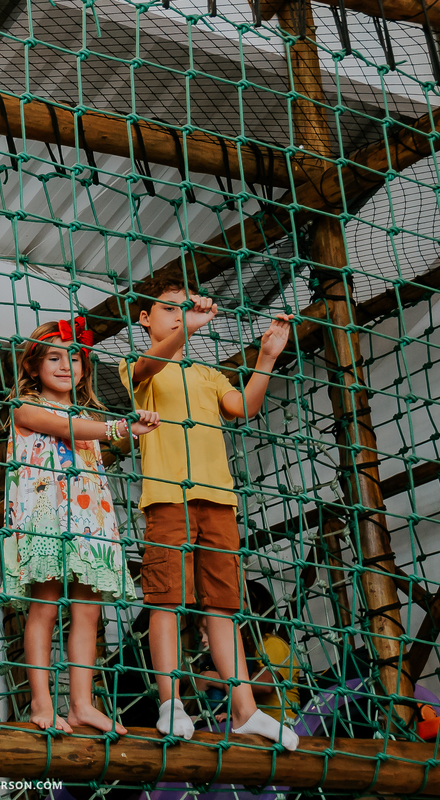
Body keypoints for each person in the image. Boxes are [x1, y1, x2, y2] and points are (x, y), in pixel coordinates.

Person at [119, 274, 298, 749]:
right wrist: (191, 326)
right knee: (166, 600)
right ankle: (169, 702)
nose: (178, 314)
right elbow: (149, 367)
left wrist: (266, 357)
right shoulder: (138, 367)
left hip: (219, 499)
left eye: (184, 307)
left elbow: (244, 406)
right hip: (167, 499)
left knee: (222, 605)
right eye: (168, 308)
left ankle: (246, 711)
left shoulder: (208, 374)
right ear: (145, 318)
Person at [3, 318, 160, 734]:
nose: (65, 365)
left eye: (74, 358)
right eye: (54, 357)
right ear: (34, 367)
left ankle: (81, 704)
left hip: (89, 522)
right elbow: (65, 428)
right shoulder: (26, 406)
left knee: (89, 611)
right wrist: (119, 427)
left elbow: (95, 432)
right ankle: (40, 703)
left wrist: (132, 427)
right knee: (46, 607)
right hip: (48, 521)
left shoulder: (89, 414)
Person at [197, 581, 301, 724]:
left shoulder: (271, 643)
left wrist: (210, 678)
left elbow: (265, 685)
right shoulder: (234, 648)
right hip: (245, 722)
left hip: (281, 723)